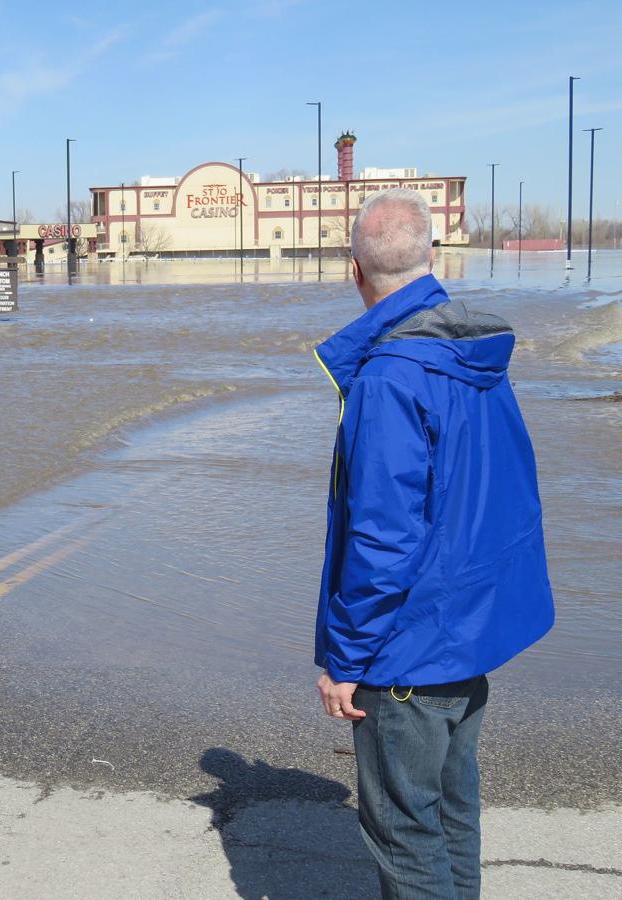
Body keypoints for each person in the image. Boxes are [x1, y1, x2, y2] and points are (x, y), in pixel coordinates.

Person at [311, 188, 554, 899]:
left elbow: (381, 541)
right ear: (434, 258)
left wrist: (345, 662)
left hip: (409, 653)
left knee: (407, 836)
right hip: (467, 635)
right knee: (450, 815)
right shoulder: (473, 352)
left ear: (354, 270)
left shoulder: (389, 377)